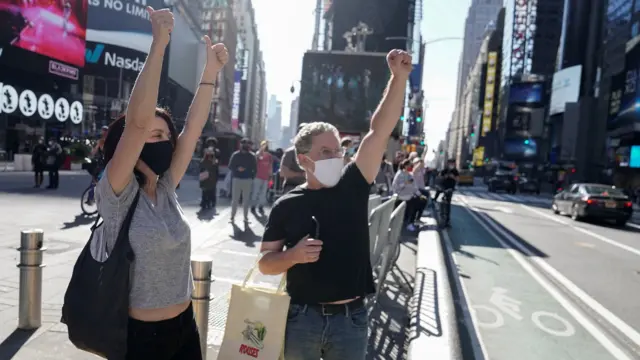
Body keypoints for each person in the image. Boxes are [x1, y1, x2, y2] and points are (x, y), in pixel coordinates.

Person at [91, 7, 228, 359]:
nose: (159, 140)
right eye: (150, 135)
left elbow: (192, 128)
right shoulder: (117, 191)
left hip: (184, 327)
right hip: (141, 339)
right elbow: (136, 124)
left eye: (164, 135)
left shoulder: (166, 187)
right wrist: (158, 46)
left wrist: (210, 72)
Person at [257, 49, 412, 360]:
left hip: (351, 321)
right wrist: (294, 255)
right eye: (326, 152)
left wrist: (398, 79)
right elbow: (265, 264)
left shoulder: (353, 183)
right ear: (304, 160)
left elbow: (378, 131)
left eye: (338, 149)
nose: (336, 157)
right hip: (301, 318)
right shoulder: (287, 205)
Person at [391, 159, 428, 231]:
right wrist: (406, 183)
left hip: (409, 196)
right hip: (400, 197)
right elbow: (396, 186)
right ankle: (402, 226)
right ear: (405, 166)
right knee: (404, 212)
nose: (410, 167)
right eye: (409, 165)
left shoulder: (409, 174)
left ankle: (411, 222)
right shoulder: (399, 174)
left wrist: (420, 195)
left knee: (419, 203)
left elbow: (414, 187)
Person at [228, 137, 257, 222]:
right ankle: (232, 217)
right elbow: (230, 166)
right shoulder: (235, 155)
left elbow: (255, 169)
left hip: (247, 180)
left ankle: (245, 217)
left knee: (246, 200)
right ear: (241, 144)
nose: (246, 145)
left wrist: (251, 178)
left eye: (247, 143)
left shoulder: (252, 156)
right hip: (237, 179)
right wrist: (237, 169)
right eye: (244, 143)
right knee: (235, 200)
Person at [280, 123, 307, 193]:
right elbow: (283, 172)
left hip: (307, 188)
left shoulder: (313, 153)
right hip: (291, 187)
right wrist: (300, 174)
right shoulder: (290, 152)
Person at [433, 159, 459, 226]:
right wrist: (445, 176)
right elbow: (439, 177)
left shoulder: (455, 171)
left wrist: (453, 177)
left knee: (448, 204)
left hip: (450, 188)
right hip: (443, 187)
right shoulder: (445, 170)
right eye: (450, 163)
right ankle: (435, 200)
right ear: (448, 164)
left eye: (452, 164)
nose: (451, 165)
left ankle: (447, 220)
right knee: (442, 202)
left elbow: (458, 179)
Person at [252, 140, 273, 213]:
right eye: (264, 144)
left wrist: (270, 177)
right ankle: (253, 206)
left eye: (266, 145)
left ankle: (261, 206)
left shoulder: (269, 156)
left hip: (266, 178)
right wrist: (261, 149)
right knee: (256, 192)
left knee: (263, 193)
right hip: (258, 176)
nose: (265, 146)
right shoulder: (258, 153)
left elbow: (270, 166)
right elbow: (257, 158)